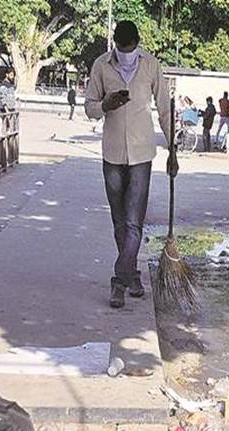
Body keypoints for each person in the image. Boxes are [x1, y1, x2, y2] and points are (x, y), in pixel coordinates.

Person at [84, 20, 174, 315]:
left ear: (138, 42)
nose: (126, 53)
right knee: (119, 222)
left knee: (134, 222)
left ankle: (118, 282)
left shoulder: (151, 66)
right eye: (122, 49)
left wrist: (173, 148)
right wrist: (106, 105)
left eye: (131, 48)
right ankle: (132, 275)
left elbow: (164, 109)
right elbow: (89, 107)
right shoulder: (101, 65)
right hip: (112, 153)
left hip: (141, 155)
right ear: (115, 44)